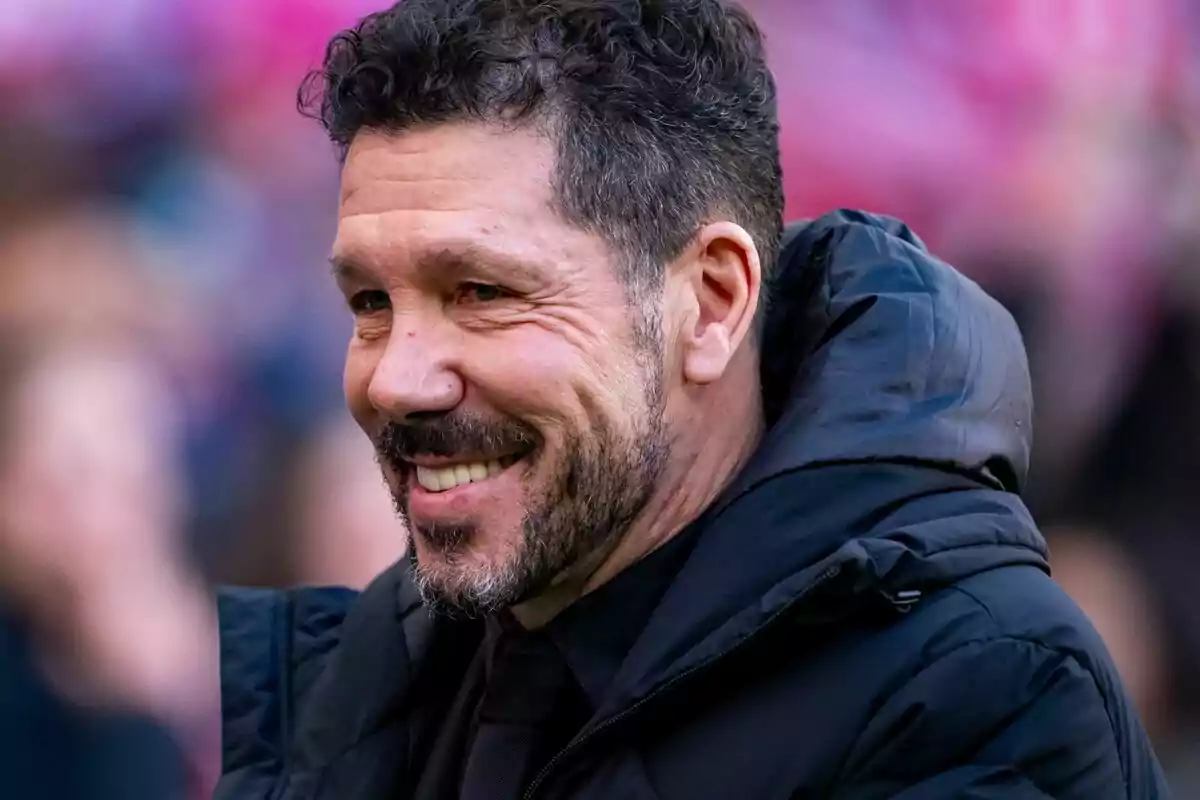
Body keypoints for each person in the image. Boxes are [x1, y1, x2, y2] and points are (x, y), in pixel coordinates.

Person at [216, 0, 1171, 797]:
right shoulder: (381, 674)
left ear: (711, 304)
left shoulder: (981, 697)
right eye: (371, 303)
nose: (395, 378)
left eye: (483, 293)